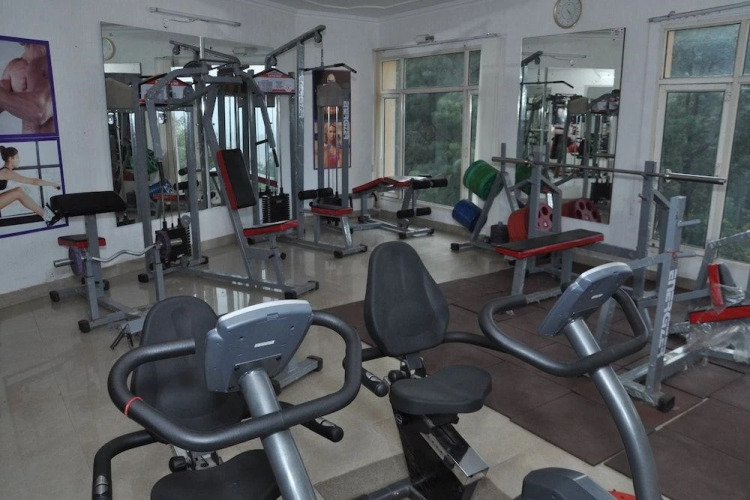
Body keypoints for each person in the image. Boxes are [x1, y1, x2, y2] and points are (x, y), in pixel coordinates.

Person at [0, 42, 55, 134]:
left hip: (52, 140)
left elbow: (40, 112)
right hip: (27, 138)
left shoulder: (53, 62)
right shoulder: (14, 66)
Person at [0, 146, 61, 224]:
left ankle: (46, 215)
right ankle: (48, 217)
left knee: (18, 190)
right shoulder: (6, 172)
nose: (19, 160)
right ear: (10, 159)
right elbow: (33, 181)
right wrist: (53, 184)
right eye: (17, 157)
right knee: (18, 193)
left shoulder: (4, 171)